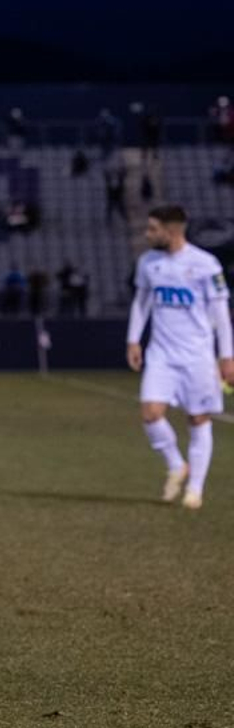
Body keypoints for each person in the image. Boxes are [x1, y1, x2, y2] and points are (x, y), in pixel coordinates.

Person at [126, 206, 234, 510]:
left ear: (171, 232)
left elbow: (221, 316)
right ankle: (176, 464)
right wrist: (133, 340)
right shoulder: (149, 263)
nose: (148, 234)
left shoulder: (206, 265)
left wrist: (227, 357)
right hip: (161, 353)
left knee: (198, 420)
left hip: (198, 356)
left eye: (152, 229)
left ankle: (195, 489)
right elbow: (141, 302)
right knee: (150, 413)